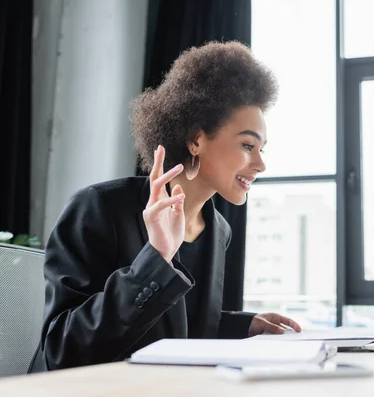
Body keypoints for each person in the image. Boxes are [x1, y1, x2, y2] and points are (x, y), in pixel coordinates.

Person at [29, 41, 301, 372]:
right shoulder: (99, 208)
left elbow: (181, 331)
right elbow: (61, 350)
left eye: (262, 149)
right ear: (196, 140)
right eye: (247, 145)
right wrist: (155, 259)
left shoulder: (218, 230)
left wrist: (246, 326)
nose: (260, 164)